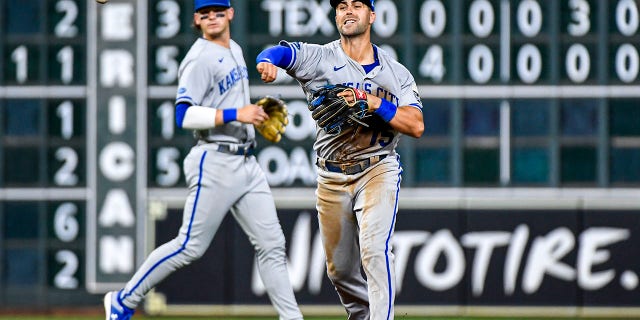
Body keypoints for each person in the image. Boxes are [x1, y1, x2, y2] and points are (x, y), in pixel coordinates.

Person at [103, 1, 304, 319]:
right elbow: (184, 114)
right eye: (205, 13)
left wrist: (254, 114)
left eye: (218, 11)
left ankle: (291, 317)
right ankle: (124, 300)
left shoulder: (235, 49)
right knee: (189, 246)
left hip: (245, 162)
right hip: (215, 160)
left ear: (230, 14)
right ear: (196, 19)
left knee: (272, 243)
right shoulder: (198, 59)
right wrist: (237, 113)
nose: (212, 17)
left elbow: (226, 102)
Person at [256, 1, 424, 319]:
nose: (348, 10)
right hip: (331, 176)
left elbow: (415, 125)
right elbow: (282, 53)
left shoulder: (395, 73)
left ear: (371, 15)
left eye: (357, 5)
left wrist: (370, 101)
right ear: (335, 15)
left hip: (377, 168)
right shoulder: (321, 58)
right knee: (340, 273)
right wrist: (267, 61)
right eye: (342, 6)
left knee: (375, 252)